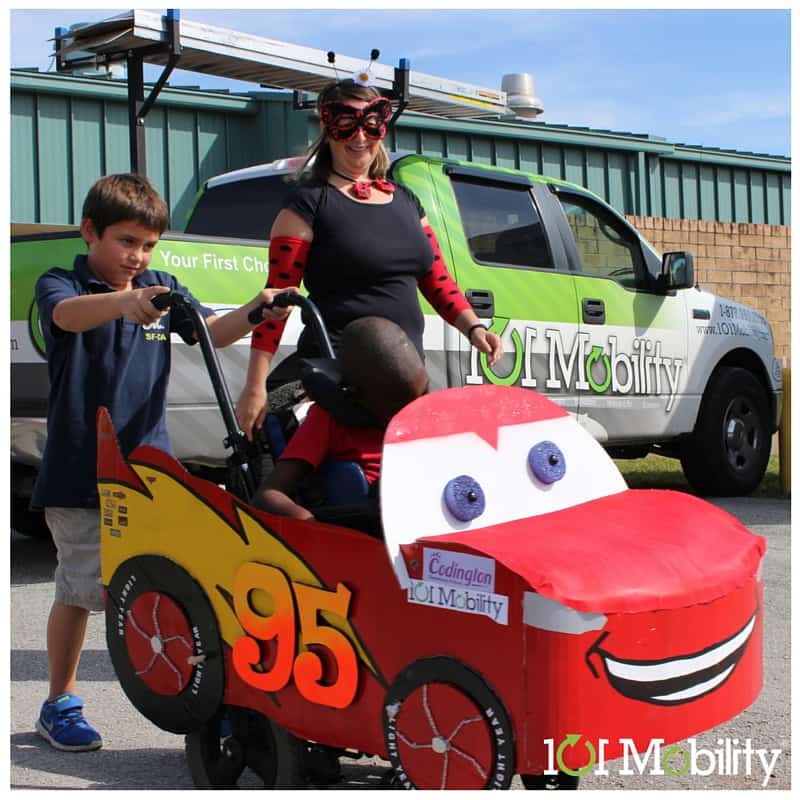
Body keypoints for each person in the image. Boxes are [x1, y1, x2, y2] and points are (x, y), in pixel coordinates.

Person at [31, 173, 294, 752]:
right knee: (81, 590)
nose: (137, 257)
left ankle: (192, 691)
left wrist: (257, 308)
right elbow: (66, 317)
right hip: (81, 473)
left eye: (148, 245)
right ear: (90, 232)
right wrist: (125, 303)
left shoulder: (161, 286)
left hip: (152, 474)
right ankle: (60, 702)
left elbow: (213, 334)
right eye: (126, 242)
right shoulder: (64, 283)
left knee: (172, 582)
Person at [235, 77, 503, 439]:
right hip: (340, 383)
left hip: (405, 377)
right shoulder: (307, 204)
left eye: (371, 125)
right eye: (347, 126)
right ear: (328, 130)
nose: (360, 138)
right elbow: (277, 301)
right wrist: (254, 387)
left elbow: (435, 278)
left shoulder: (407, 202)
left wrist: (474, 328)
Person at [252, 316, 428, 521]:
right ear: (356, 395)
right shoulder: (327, 419)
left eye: (422, 393)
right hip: (366, 527)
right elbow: (268, 494)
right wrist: (310, 524)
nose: (412, 409)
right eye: (398, 404)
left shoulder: (422, 411)